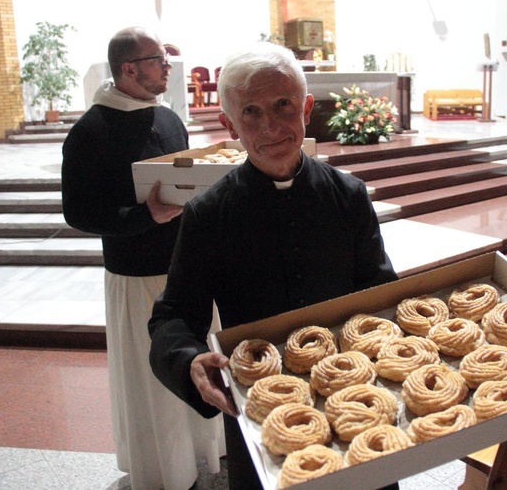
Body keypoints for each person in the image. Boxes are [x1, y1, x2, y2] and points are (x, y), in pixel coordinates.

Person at [148, 41, 398, 489]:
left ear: (306, 109)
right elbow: (173, 315)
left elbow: (379, 289)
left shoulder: (348, 196)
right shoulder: (208, 214)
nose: (271, 127)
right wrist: (187, 361)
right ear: (228, 124)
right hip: (259, 404)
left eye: (282, 105)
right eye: (251, 112)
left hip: (353, 393)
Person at [61, 27, 222, 489]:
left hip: (187, 267)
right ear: (129, 68)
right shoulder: (90, 131)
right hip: (136, 276)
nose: (169, 64)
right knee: (154, 378)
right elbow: (78, 212)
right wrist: (143, 216)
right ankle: (163, 469)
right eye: (159, 58)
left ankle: (205, 453)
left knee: (199, 362)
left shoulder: (167, 118)